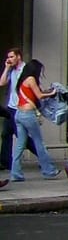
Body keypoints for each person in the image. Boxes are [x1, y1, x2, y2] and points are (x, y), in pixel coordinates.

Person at [11, 59, 61, 182]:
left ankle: (15, 173)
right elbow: (39, 95)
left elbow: (33, 94)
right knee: (39, 143)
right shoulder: (31, 79)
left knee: (20, 145)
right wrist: (53, 92)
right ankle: (49, 170)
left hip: (19, 113)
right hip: (28, 114)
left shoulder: (22, 80)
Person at [0, 46, 26, 175]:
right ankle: (5, 162)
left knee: (23, 138)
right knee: (6, 134)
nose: (9, 59)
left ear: (18, 57)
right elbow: (2, 83)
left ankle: (43, 157)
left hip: (21, 107)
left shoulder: (25, 69)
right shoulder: (12, 70)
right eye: (8, 57)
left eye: (11, 57)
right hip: (11, 107)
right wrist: (6, 68)